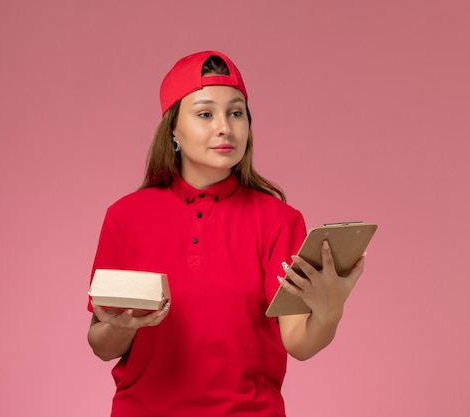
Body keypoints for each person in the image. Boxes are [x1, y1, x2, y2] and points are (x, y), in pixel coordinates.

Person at [87, 50, 366, 417]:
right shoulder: (125, 216)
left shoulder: (279, 220)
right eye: (205, 114)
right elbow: (101, 343)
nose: (225, 127)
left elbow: (298, 342)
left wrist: (330, 311)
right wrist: (121, 327)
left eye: (236, 113)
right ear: (172, 128)